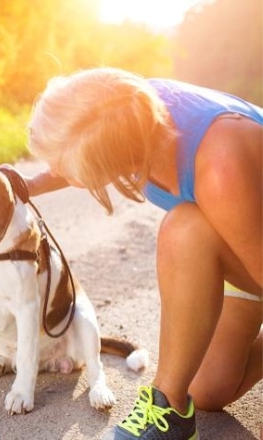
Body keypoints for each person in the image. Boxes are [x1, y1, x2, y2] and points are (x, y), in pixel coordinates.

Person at [21, 67, 262, 439]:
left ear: (101, 156)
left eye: (60, 164)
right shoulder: (126, 112)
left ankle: (168, 410)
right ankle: (180, 399)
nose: (55, 169)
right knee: (210, 389)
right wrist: (29, 183)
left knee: (185, 229)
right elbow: (82, 145)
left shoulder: (219, 162)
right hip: (244, 243)